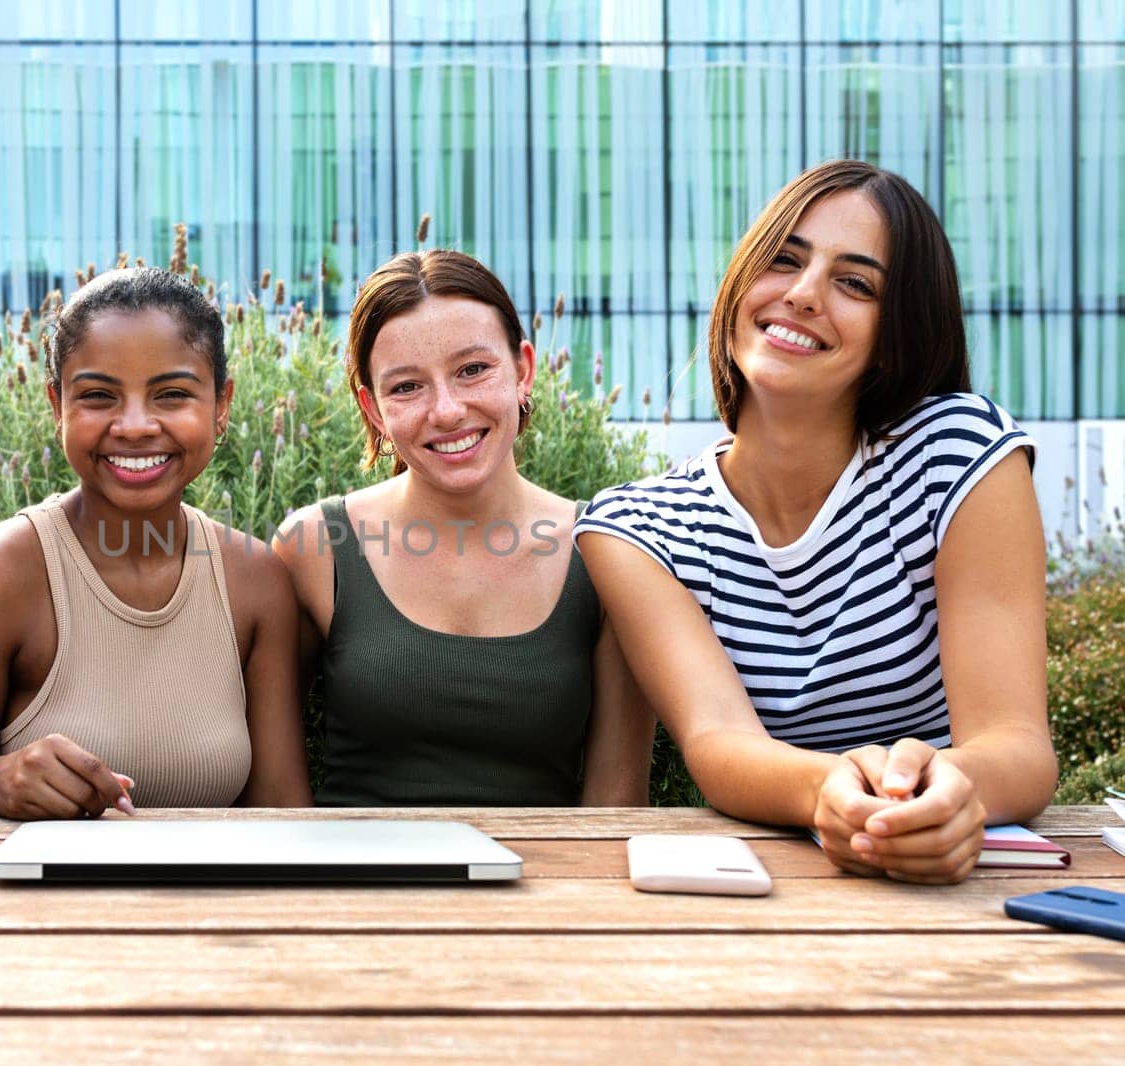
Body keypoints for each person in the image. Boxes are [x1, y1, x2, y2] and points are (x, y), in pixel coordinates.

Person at [576, 160, 1056, 884]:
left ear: (896, 335)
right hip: (779, 889)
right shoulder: (637, 529)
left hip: (960, 876)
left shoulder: (958, 452)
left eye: (855, 283)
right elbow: (717, 743)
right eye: (784, 261)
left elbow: (1016, 741)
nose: (802, 295)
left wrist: (950, 793)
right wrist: (827, 793)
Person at [0, 268, 312, 818]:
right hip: (30, 900)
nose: (136, 425)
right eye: (98, 395)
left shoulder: (255, 581)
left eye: (172, 394)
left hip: (212, 902)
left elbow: (283, 815)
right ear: (57, 406)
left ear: (222, 405)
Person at [274, 250, 654, 806]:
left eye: (473, 370)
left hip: (547, 886)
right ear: (373, 409)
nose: (447, 410)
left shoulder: (603, 551)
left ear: (523, 370)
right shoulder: (315, 548)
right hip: (355, 888)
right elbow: (278, 805)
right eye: (406, 387)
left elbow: (616, 805)